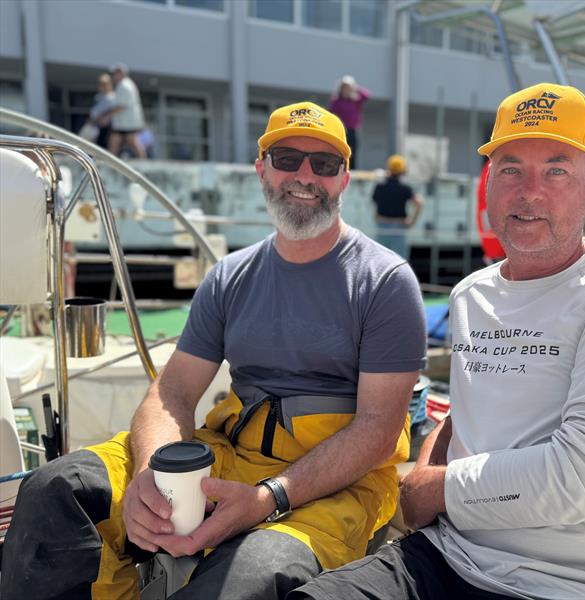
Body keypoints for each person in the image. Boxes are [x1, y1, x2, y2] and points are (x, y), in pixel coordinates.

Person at [1, 101, 427, 599]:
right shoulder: (229, 276)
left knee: (248, 574)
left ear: (344, 179)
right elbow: (175, 389)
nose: (305, 176)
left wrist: (267, 498)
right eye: (287, 158)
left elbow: (378, 429)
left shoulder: (385, 281)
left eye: (324, 163)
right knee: (56, 490)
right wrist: (152, 474)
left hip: (340, 483)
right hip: (232, 452)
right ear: (261, 170)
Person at [290, 83, 585, 600]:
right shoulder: (472, 293)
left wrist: (432, 489)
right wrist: (424, 474)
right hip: (451, 554)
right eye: (510, 170)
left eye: (555, 170)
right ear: (488, 187)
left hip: (584, 585)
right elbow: (467, 408)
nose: (529, 191)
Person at [372, 154, 424, 259]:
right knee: (400, 264)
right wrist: (412, 222)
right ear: (403, 171)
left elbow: (373, 201)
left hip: (382, 226)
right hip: (399, 228)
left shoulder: (380, 186)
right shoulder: (405, 188)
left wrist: (376, 216)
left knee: (380, 262)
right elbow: (419, 202)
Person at [328, 75, 370, 169]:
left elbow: (367, 95)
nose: (346, 90)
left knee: (353, 151)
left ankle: (352, 170)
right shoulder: (337, 101)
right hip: (341, 130)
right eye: (345, 88)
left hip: (353, 131)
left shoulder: (355, 100)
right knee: (341, 151)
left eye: (348, 88)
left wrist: (355, 87)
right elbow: (331, 114)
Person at [107, 62, 147, 159]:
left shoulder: (125, 86)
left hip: (128, 123)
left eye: (115, 73)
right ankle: (110, 163)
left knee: (131, 142)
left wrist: (106, 116)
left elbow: (121, 106)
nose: (113, 76)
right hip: (125, 122)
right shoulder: (124, 85)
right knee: (116, 141)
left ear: (121, 73)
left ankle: (144, 162)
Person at [88, 73, 117, 149]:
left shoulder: (114, 97)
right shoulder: (98, 97)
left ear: (110, 84)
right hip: (95, 127)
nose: (102, 86)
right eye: (101, 83)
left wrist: (103, 118)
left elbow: (113, 112)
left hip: (108, 128)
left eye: (105, 84)